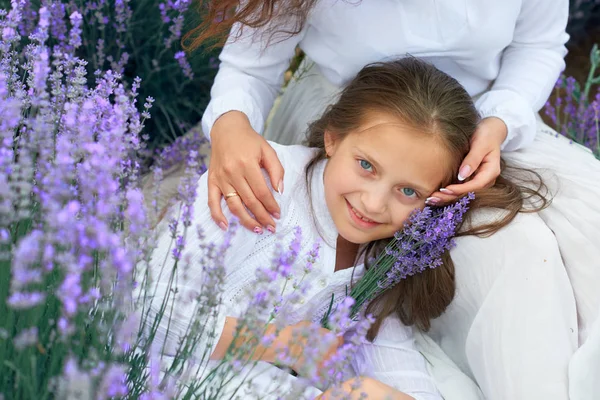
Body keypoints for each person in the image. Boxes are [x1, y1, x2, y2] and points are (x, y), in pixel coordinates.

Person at [183, 1, 600, 398]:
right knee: (518, 247)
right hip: (359, 122)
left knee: (587, 253)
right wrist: (230, 125)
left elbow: (538, 45)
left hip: (482, 123)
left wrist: (500, 122)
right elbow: (248, 69)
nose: (374, 204)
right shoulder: (349, 174)